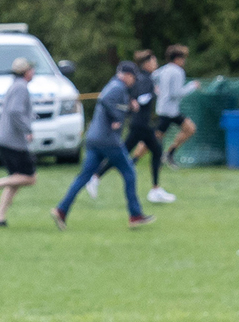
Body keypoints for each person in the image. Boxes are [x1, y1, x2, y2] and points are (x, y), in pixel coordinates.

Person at [53, 61, 153, 230]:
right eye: (133, 77)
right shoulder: (118, 87)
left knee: (84, 176)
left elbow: (113, 103)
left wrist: (128, 107)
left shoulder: (113, 85)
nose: (133, 81)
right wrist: (116, 118)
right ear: (127, 75)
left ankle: (61, 210)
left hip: (94, 138)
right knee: (129, 172)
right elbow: (105, 100)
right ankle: (135, 215)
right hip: (108, 140)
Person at [0, 57, 38, 225]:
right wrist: (27, 128)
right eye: (31, 69)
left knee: (16, 179)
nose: (33, 72)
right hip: (13, 142)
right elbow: (15, 111)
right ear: (26, 72)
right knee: (30, 178)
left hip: (6, 139)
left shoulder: (15, 85)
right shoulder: (21, 87)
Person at [121, 50, 174, 204]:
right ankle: (96, 175)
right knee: (121, 153)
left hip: (141, 124)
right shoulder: (145, 79)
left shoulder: (143, 77)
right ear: (146, 63)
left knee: (156, 151)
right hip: (140, 124)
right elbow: (141, 99)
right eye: (153, 61)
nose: (155, 64)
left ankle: (155, 189)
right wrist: (153, 93)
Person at [154, 44, 199, 166]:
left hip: (168, 110)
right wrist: (192, 86)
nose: (184, 61)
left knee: (190, 128)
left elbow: (152, 77)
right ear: (177, 59)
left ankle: (169, 154)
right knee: (154, 138)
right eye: (183, 58)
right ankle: (134, 160)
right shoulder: (178, 72)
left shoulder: (163, 69)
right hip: (168, 111)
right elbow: (176, 93)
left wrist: (156, 89)